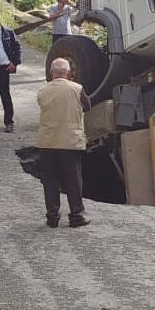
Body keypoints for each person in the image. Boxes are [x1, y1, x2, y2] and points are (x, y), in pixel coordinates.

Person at [37, 57, 91, 228]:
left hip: (48, 141)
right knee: (73, 181)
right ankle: (77, 215)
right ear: (68, 73)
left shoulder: (43, 90)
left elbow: (41, 105)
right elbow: (87, 106)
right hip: (70, 141)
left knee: (50, 181)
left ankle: (52, 217)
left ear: (51, 73)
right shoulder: (77, 89)